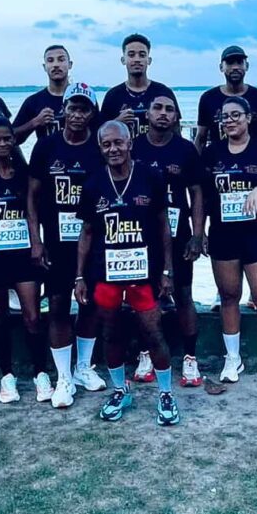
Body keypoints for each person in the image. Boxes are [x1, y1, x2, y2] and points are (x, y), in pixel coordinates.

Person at [75, 120, 178, 425]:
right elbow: (87, 232)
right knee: (111, 333)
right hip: (105, 274)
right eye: (106, 144)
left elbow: (163, 226)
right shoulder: (93, 183)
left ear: (130, 142)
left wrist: (167, 270)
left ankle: (165, 393)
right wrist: (79, 276)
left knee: (153, 332)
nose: (113, 149)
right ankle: (121, 389)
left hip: (144, 274)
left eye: (118, 142)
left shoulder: (151, 177)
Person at [200, 95, 257, 388]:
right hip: (222, 235)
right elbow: (202, 196)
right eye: (224, 116)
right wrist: (199, 232)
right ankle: (232, 358)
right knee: (229, 296)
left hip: (256, 235)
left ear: (248, 118)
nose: (230, 121)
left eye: (236, 115)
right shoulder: (212, 153)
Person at [28, 82, 107, 407]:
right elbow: (31, 198)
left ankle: (82, 367)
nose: (77, 114)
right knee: (58, 305)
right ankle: (63, 377)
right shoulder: (46, 147)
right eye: (72, 107)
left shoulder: (99, 148)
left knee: (91, 304)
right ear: (64, 110)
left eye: (84, 109)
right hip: (56, 243)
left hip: (93, 241)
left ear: (92, 114)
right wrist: (36, 241)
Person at [0, 115, 51, 404]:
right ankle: (7, 376)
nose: (2, 143)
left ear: (14, 140)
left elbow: (32, 212)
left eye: (7, 138)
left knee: (33, 317)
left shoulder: (23, 173)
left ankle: (41, 373)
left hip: (23, 257)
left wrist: (37, 243)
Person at [132, 93, 206, 386]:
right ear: (147, 114)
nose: (163, 113)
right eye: (158, 108)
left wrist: (198, 234)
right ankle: (145, 353)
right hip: (141, 236)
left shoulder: (185, 150)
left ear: (176, 117)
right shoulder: (134, 147)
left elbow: (197, 193)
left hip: (179, 235)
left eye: (169, 109)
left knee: (183, 294)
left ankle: (190, 358)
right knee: (143, 297)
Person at [194, 45, 257, 149]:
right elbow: (201, 138)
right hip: (219, 157)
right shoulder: (208, 99)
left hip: (255, 157)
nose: (235, 67)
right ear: (221, 67)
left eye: (240, 62)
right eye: (230, 63)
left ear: (247, 66)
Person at [99, 33, 177, 139]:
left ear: (149, 60)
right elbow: (102, 134)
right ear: (123, 60)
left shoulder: (163, 93)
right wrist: (117, 122)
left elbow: (176, 130)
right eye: (131, 55)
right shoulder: (113, 96)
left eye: (142, 55)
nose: (137, 59)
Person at [12, 44, 73, 143]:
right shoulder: (34, 101)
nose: (56, 64)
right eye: (50, 60)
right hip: (46, 153)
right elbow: (12, 137)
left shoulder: (82, 98)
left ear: (70, 64)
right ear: (44, 67)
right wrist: (35, 122)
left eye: (61, 60)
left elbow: (97, 132)